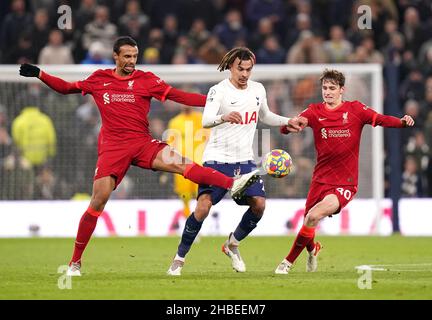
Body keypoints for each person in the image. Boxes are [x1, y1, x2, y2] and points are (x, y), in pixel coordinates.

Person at [19, 36, 260, 276]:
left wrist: (216, 103)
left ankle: (233, 184)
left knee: (184, 164)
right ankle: (75, 263)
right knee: (98, 201)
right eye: (127, 56)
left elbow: (179, 96)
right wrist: (41, 74)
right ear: (116, 56)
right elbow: (67, 88)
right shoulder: (99, 79)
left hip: (142, 143)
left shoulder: (146, 80)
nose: (132, 61)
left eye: (134, 56)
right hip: (113, 149)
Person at [167, 47, 306, 276]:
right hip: (217, 160)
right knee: (202, 208)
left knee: (259, 205)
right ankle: (179, 259)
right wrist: (224, 116)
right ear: (231, 66)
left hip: (244, 161)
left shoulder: (258, 89)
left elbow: (265, 116)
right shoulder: (218, 91)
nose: (244, 74)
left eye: (248, 69)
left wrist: (288, 120)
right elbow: (206, 119)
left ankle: (232, 243)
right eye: (240, 69)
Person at [275, 69, 415, 275]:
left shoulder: (355, 110)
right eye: (324, 88)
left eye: (332, 88)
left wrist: (402, 122)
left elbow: (380, 119)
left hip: (345, 182)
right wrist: (290, 127)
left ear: (342, 90)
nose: (328, 92)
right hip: (320, 179)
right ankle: (313, 249)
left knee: (312, 217)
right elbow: (287, 127)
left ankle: (286, 263)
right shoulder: (313, 111)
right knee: (308, 223)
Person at [166, 106, 210, 218]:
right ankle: (188, 221)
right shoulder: (174, 122)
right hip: (181, 165)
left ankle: (197, 220)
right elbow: (170, 144)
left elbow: (208, 139)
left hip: (199, 163)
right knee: (184, 195)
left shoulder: (201, 119)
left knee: (200, 194)